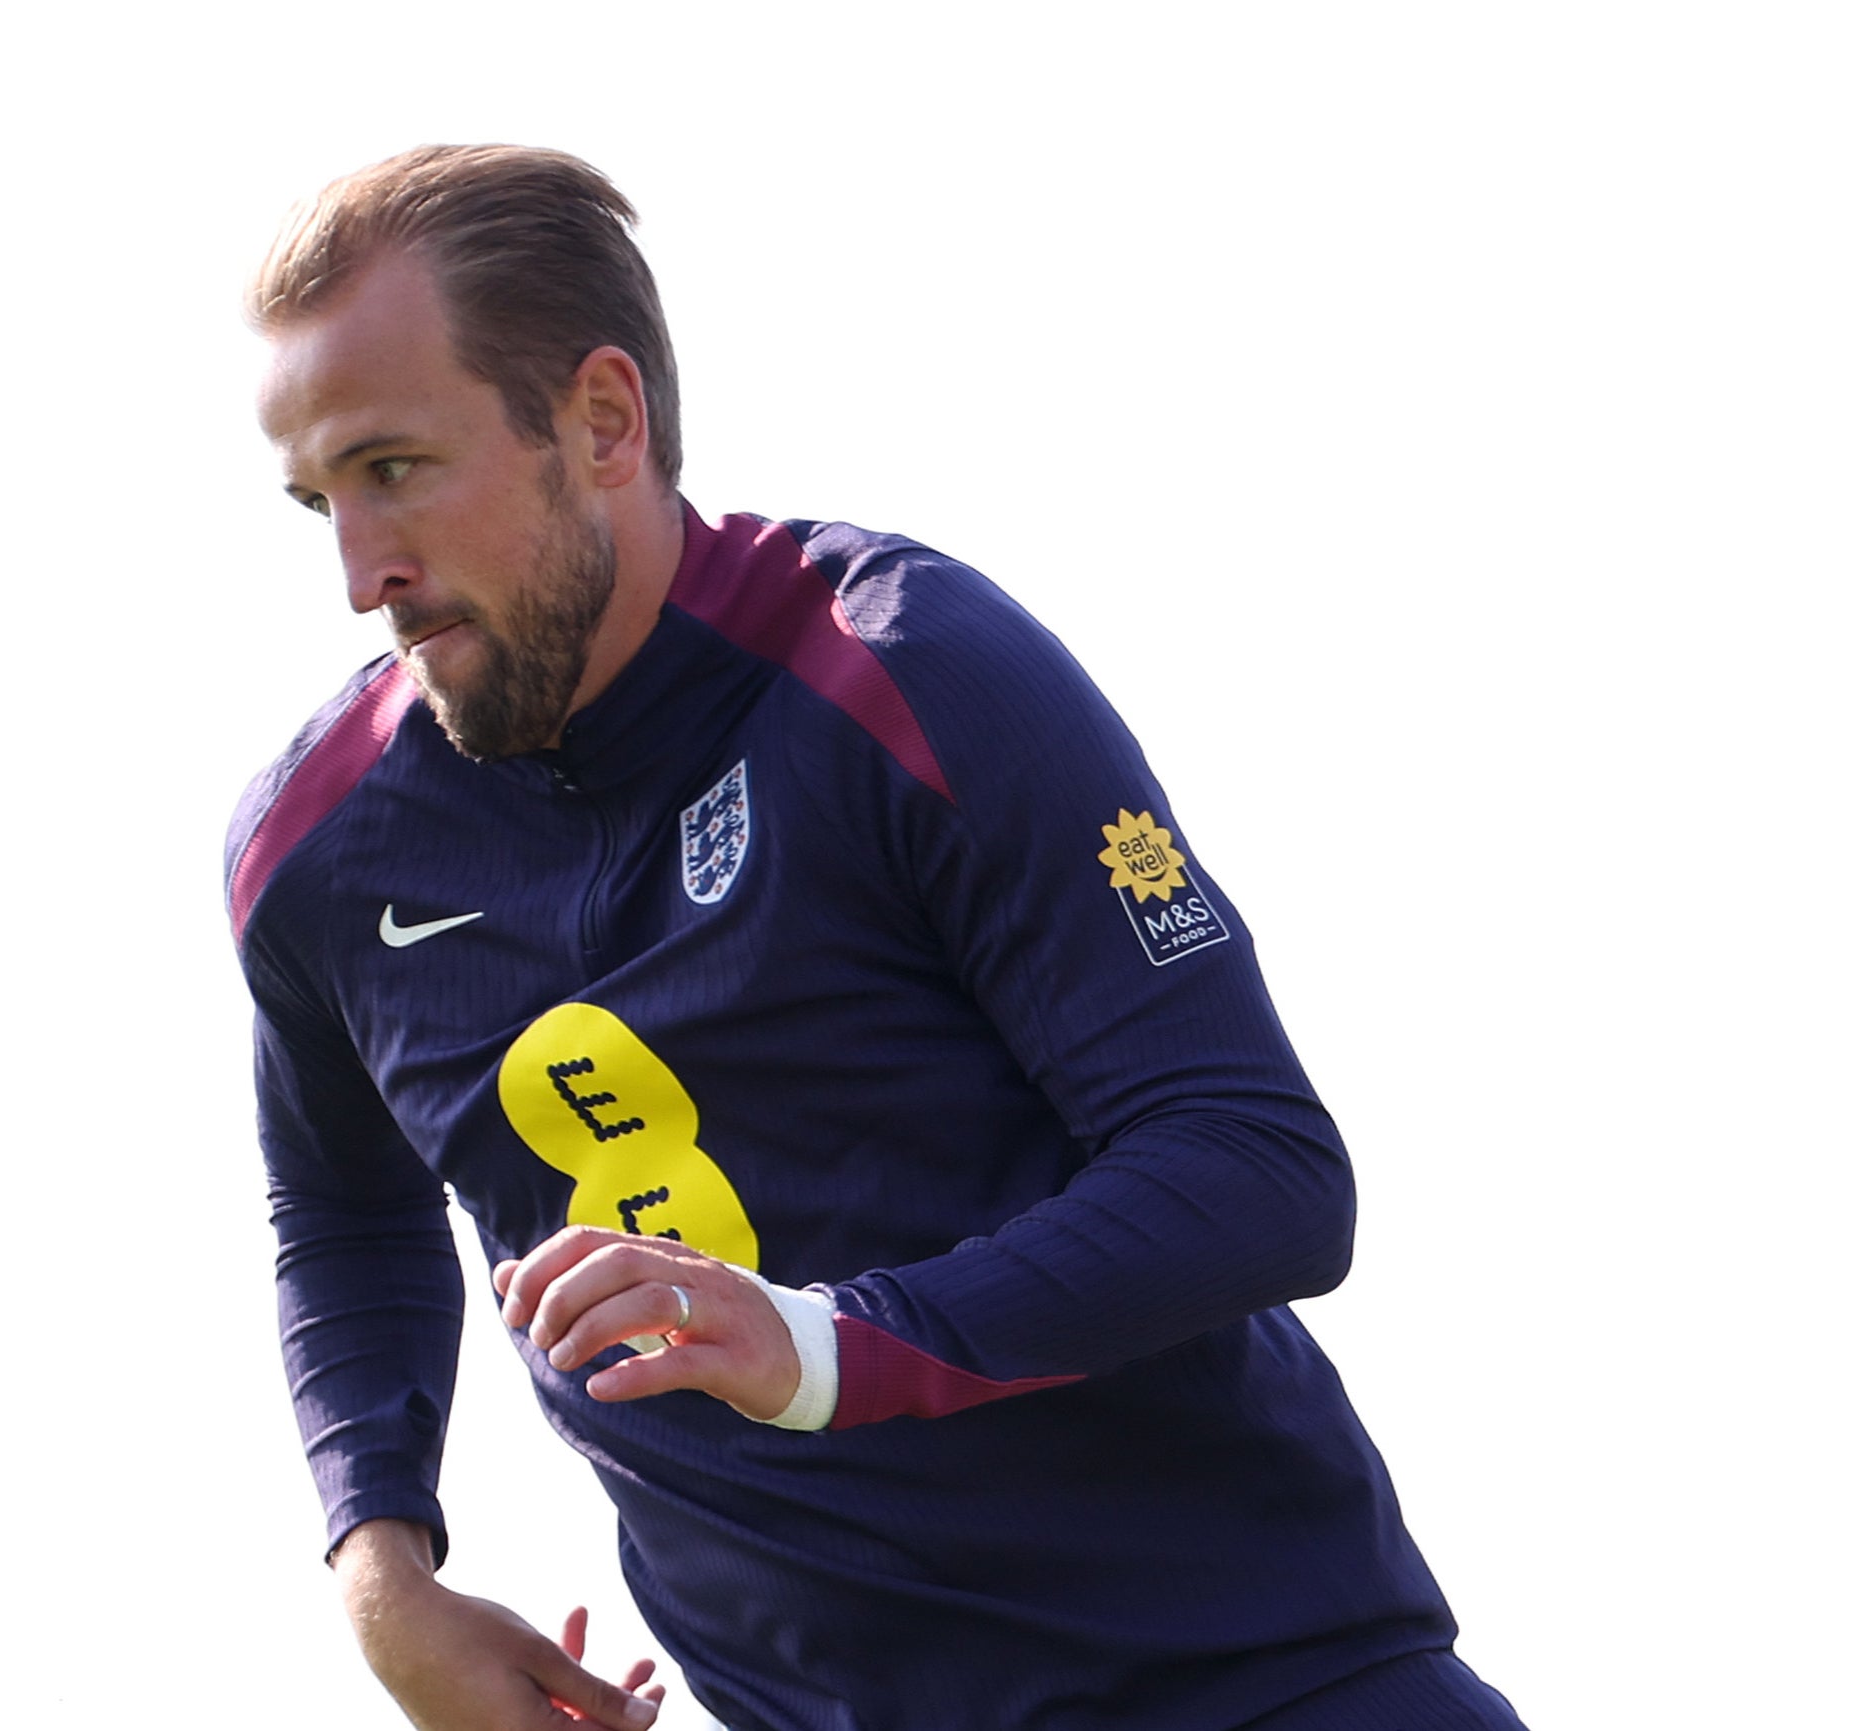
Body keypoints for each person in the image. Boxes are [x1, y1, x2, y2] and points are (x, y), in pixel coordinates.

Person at [224, 144, 1526, 1731]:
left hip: (1265, 1691)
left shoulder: (905, 671)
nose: (363, 576)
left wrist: (830, 1345)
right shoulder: (313, 856)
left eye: (396, 470)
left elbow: (1257, 1169)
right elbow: (347, 1226)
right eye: (319, 501)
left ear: (604, 419)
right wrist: (387, 1573)